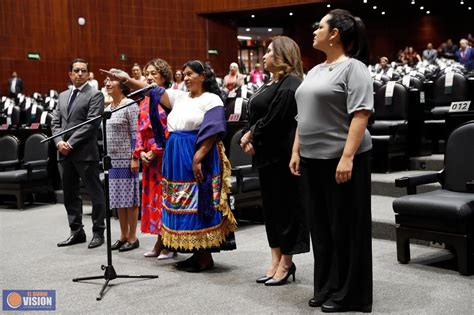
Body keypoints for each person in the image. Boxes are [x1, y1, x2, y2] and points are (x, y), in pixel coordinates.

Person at [290, 9, 373, 312]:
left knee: (345, 229)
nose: (315, 31)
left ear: (335, 33)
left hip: (342, 160)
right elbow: (303, 115)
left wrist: (347, 157)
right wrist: (296, 150)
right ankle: (326, 286)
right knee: (321, 229)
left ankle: (349, 293)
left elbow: (361, 113)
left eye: (320, 27)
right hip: (312, 160)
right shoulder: (314, 70)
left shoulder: (354, 68)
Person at [152, 60, 236, 272]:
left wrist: (198, 157)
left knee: (199, 199)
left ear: (203, 76)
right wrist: (126, 80)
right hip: (177, 155)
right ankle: (196, 252)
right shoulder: (180, 97)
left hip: (197, 153)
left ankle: (205, 256)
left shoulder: (212, 99)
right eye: (184, 74)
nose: (186, 78)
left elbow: (214, 129)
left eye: (190, 74)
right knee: (181, 199)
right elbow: (155, 91)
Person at [240, 36, 309, 286]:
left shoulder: (291, 83)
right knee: (271, 210)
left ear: (282, 55)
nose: (265, 55)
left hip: (283, 155)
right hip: (266, 155)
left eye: (269, 51)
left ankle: (287, 262)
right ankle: (275, 259)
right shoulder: (270, 83)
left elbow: (276, 119)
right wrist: (249, 137)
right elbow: (257, 114)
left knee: (286, 210)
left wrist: (250, 135)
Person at [52, 58, 106, 249]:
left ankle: (99, 232)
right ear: (70, 74)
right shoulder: (63, 95)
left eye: (84, 70)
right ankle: (76, 232)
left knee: (95, 193)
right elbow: (55, 123)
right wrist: (59, 143)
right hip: (64, 153)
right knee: (70, 194)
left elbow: (92, 123)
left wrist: (70, 143)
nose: (80, 74)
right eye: (76, 71)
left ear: (88, 74)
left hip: (84, 152)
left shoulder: (95, 94)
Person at [103, 69, 140, 252]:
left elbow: (136, 134)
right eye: (106, 80)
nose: (107, 83)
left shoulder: (130, 105)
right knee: (118, 200)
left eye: (112, 80)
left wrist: (135, 157)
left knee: (130, 200)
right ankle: (123, 235)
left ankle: (133, 237)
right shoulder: (107, 108)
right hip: (113, 160)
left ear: (122, 84)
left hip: (127, 159)